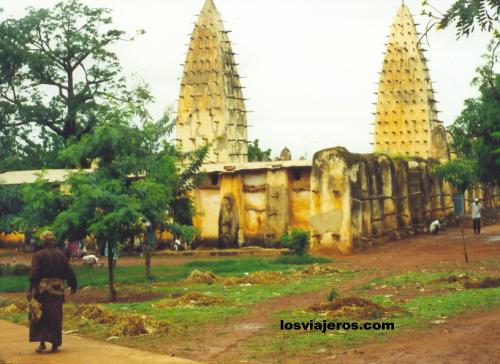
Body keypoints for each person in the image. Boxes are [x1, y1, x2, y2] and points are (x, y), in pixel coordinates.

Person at [27, 231, 77, 354]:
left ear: (43, 241)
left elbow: (34, 274)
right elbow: (69, 271)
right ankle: (55, 344)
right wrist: (73, 285)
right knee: (55, 317)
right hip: (57, 292)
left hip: (42, 291)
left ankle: (42, 343)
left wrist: (31, 289)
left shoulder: (38, 256)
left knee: (41, 316)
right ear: (53, 241)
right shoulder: (60, 255)